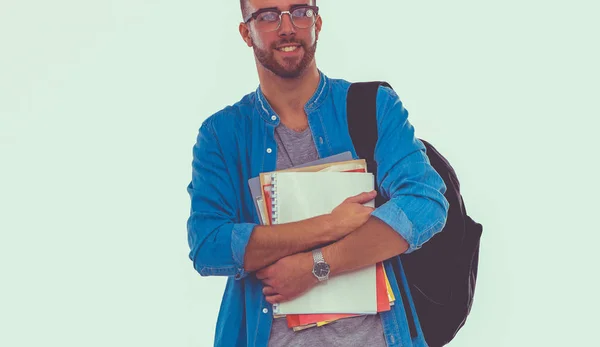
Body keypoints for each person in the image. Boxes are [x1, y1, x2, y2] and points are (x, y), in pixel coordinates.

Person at [186, 1, 449, 346]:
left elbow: (425, 202)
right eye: (267, 16)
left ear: (317, 22)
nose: (286, 27)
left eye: (299, 11)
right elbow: (208, 243)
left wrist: (317, 266)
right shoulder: (222, 134)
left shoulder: (373, 107)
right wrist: (328, 225)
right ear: (245, 33)